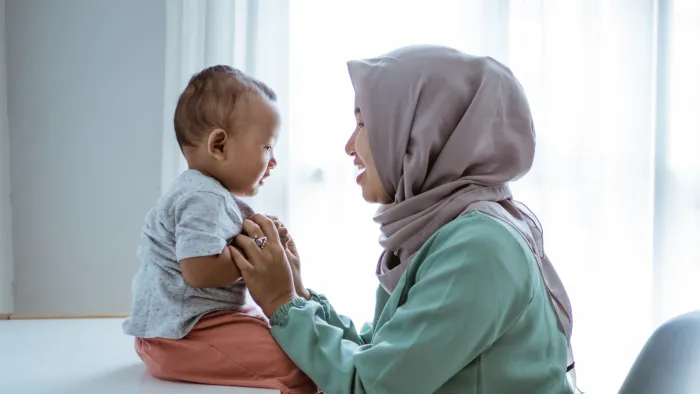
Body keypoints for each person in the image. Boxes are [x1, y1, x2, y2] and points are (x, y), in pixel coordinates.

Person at [229, 45, 579, 394]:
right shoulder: (449, 230)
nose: (350, 146)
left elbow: (370, 387)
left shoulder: (478, 248)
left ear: (421, 133)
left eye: (364, 123)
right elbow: (381, 355)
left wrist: (281, 302)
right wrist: (299, 295)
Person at [122, 65, 317, 394]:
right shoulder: (202, 196)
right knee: (303, 365)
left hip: (191, 328)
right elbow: (199, 271)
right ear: (220, 146)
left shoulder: (209, 195)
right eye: (267, 147)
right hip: (183, 336)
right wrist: (256, 249)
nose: (273, 161)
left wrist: (261, 236)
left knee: (295, 336)